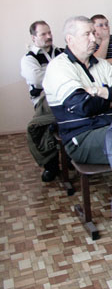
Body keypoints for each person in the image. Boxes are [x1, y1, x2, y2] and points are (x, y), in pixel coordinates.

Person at [43, 16, 112, 165]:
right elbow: (83, 106)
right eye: (87, 34)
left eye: (93, 33)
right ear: (70, 39)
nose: (94, 39)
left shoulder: (102, 64)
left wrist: (97, 91)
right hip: (82, 136)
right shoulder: (58, 67)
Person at [20, 21, 63, 181]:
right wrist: (62, 74)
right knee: (44, 127)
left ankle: (72, 157)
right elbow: (37, 79)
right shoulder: (29, 59)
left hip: (65, 97)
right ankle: (51, 165)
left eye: (49, 32)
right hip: (44, 101)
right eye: (43, 34)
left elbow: (76, 73)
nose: (48, 36)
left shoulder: (62, 53)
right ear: (34, 37)